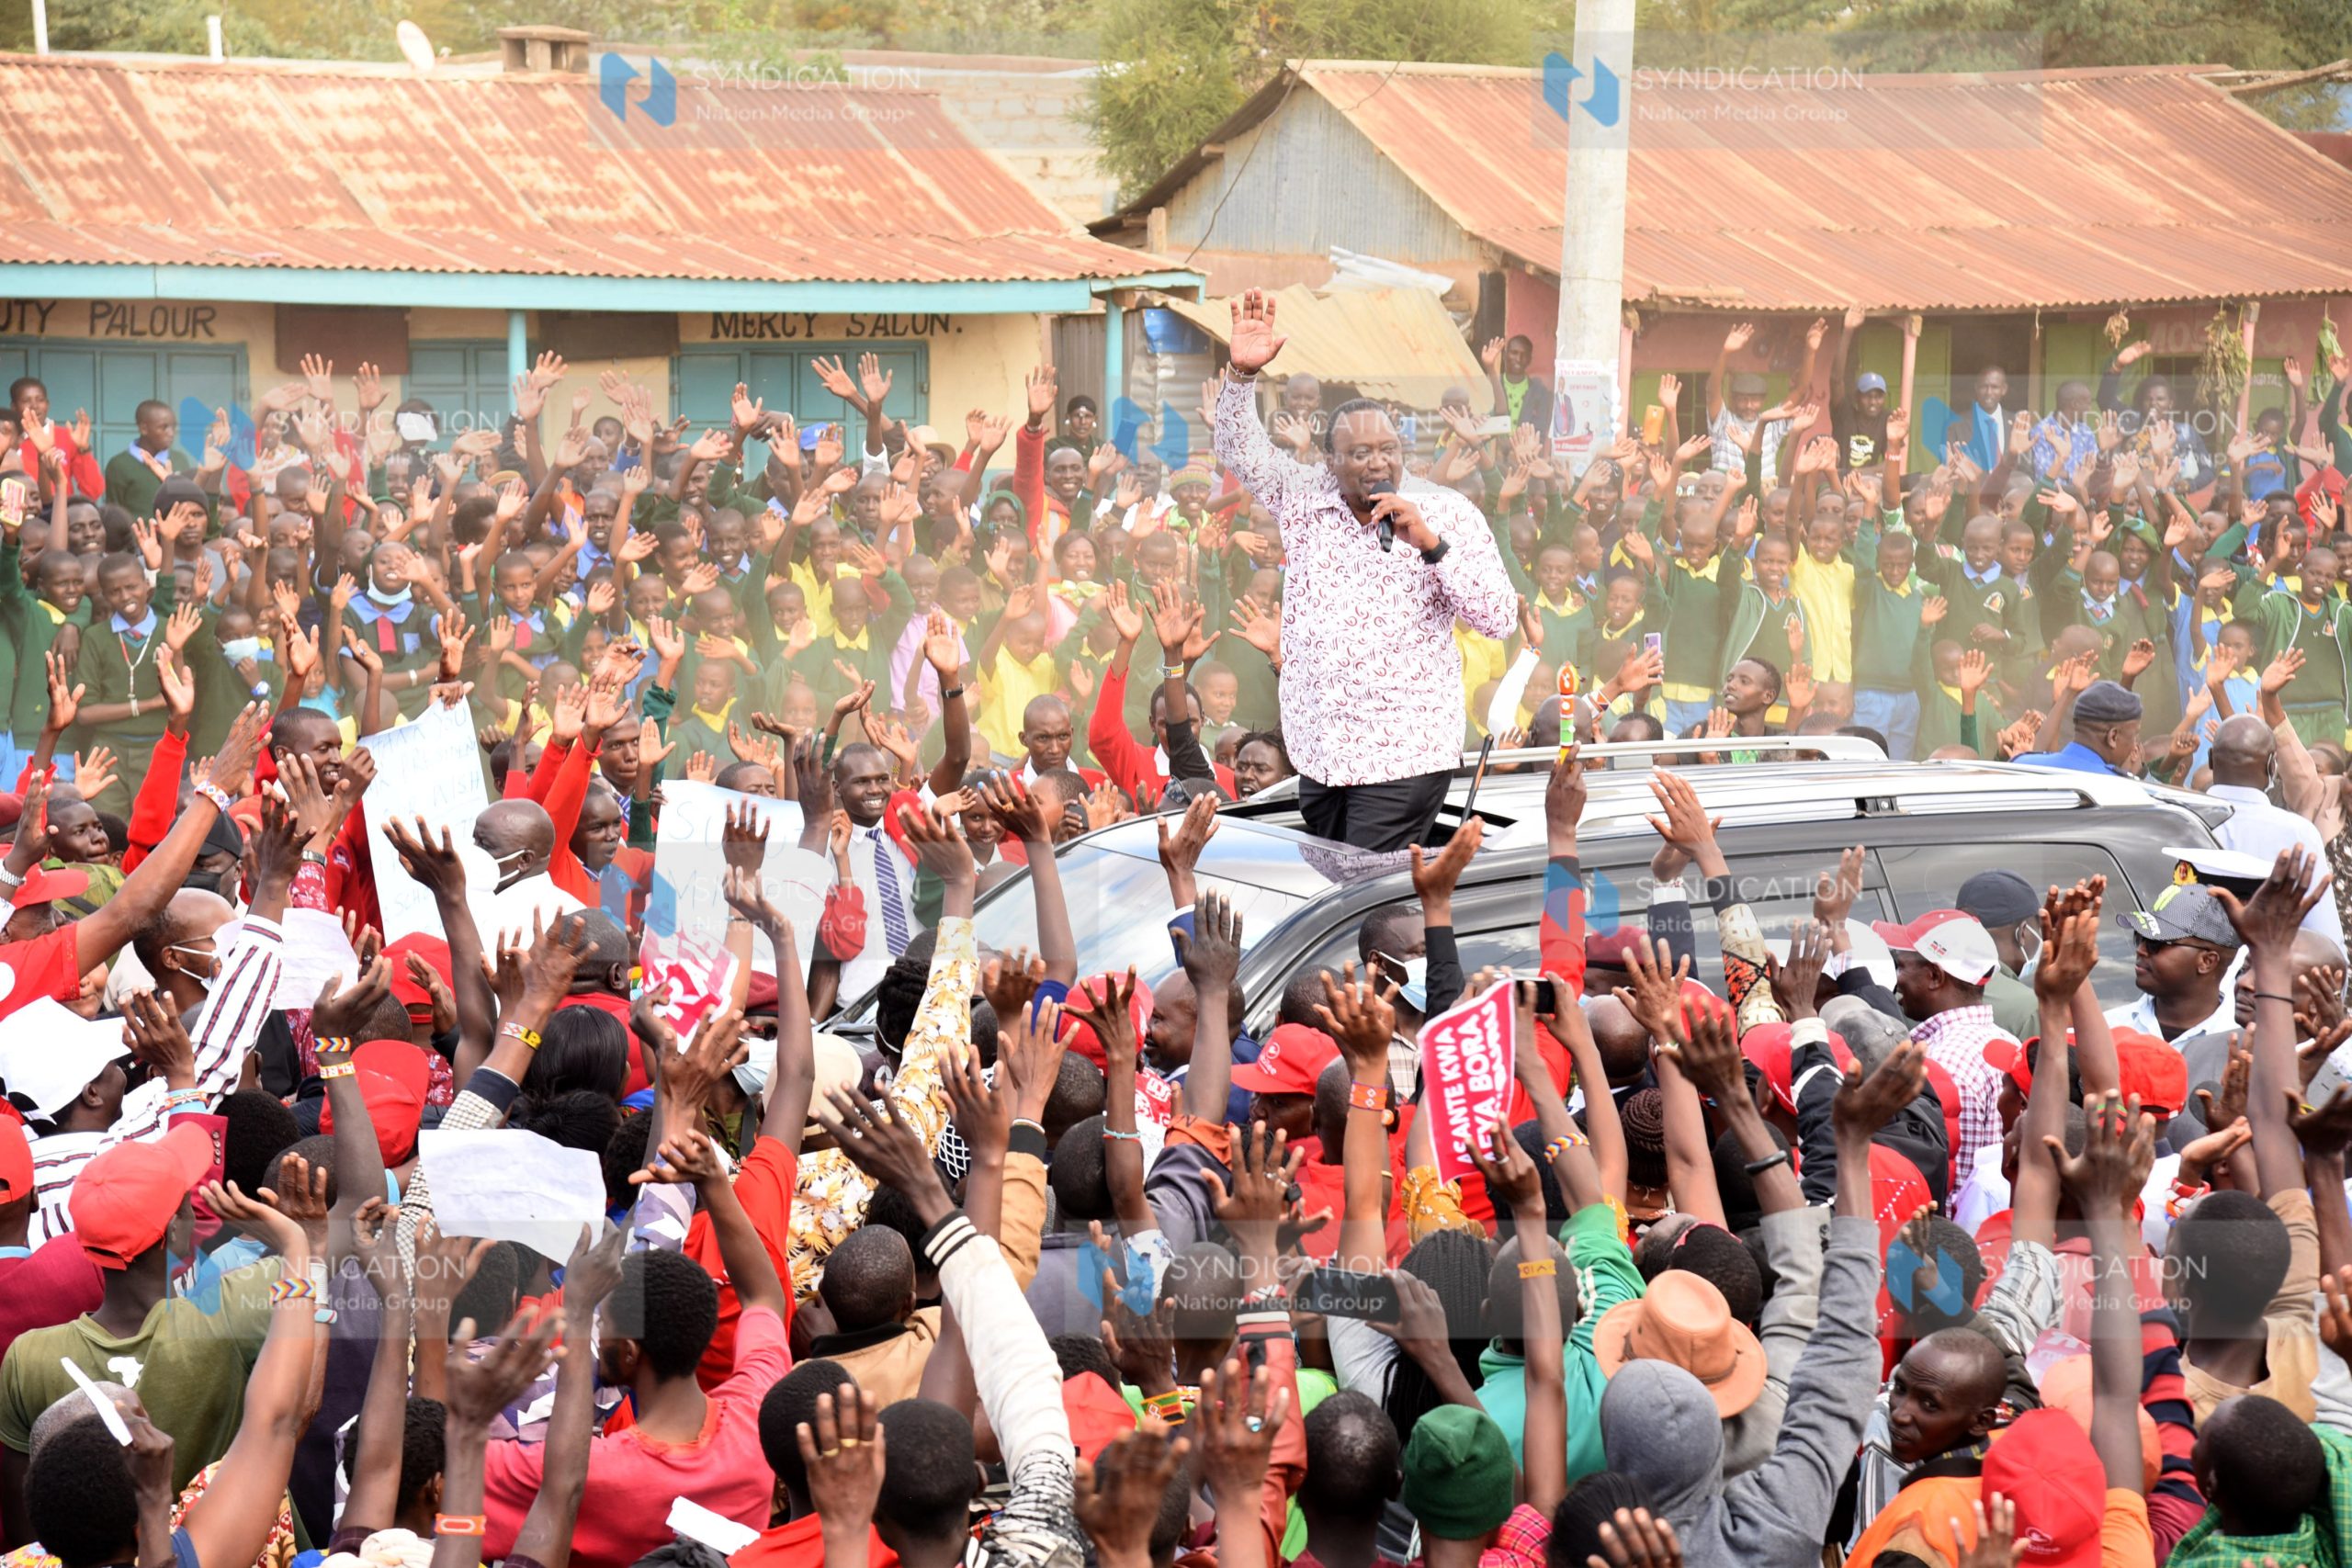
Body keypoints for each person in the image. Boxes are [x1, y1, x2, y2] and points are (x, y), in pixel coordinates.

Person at [1213, 289, 1516, 851]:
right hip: (1322, 756)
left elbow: (1498, 617)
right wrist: (1240, 376)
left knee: (1359, 901)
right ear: (1330, 460)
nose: (1378, 462)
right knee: (1351, 898)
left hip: (1401, 756)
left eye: (1389, 449)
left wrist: (1431, 545)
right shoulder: (1304, 498)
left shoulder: (1447, 512)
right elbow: (1238, 448)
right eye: (1360, 454)